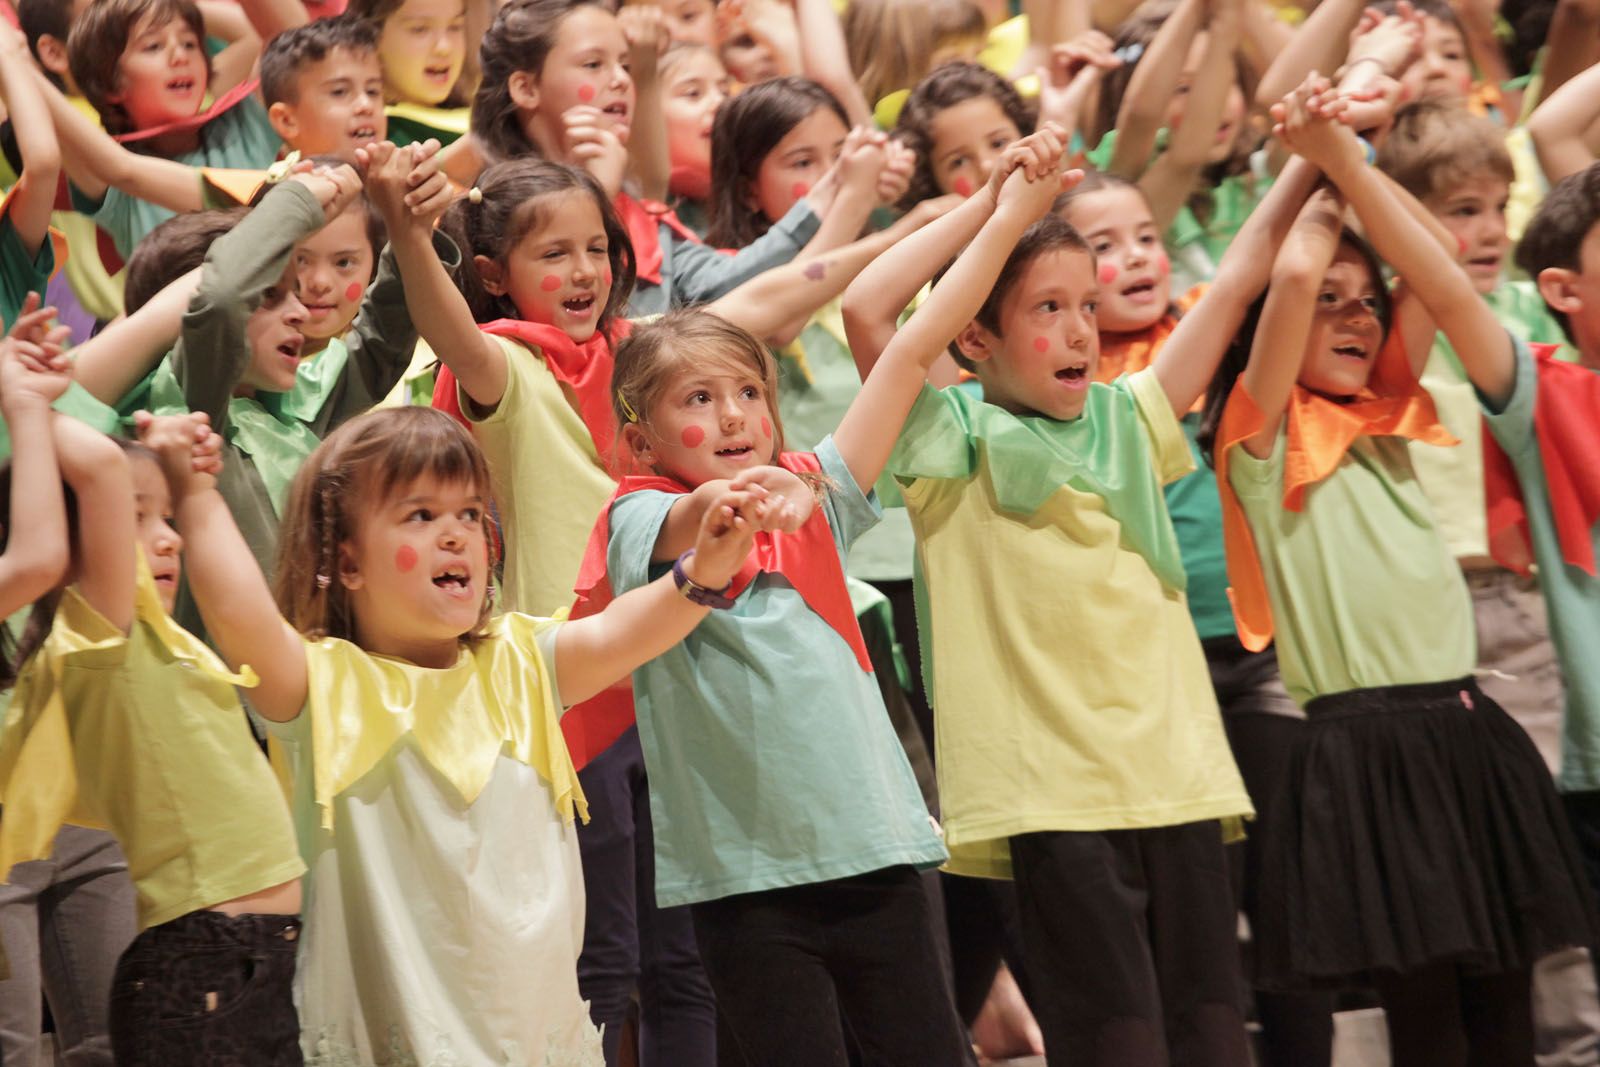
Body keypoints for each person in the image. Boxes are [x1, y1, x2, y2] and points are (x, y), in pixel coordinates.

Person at [165, 400, 774, 1065]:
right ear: (347, 563)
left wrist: (704, 568)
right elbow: (241, 617)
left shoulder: (521, 661)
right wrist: (195, 494)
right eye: (420, 515)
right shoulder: (324, 686)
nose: (455, 535)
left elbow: (626, 629)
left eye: (469, 514)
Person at [845, 122, 1262, 1066]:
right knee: (1117, 1037)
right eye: (1048, 307)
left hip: (1174, 770)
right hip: (1048, 792)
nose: (1080, 328)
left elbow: (1235, 284)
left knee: (1212, 1029)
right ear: (977, 336)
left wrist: (1319, 164)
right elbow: (871, 308)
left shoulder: (1129, 414)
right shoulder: (949, 436)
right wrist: (991, 210)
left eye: (1087, 303)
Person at [1204, 77, 1596, 1066]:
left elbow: (1432, 268)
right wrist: (1333, 163)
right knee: (1425, 1019)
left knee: (1502, 1000)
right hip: (1363, 749)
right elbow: (1290, 278)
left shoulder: (1389, 416)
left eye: (1363, 301)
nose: (1354, 315)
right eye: (1331, 305)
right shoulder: (1258, 440)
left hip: (1465, 729)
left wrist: (1357, 149)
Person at [589, 303, 961, 1065]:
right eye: (697, 399)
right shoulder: (639, 516)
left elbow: (908, 350)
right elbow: (693, 514)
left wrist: (1005, 203)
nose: (733, 415)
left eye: (750, 393)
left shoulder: (813, 503)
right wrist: (744, 503)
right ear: (639, 440)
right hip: (747, 888)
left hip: (878, 859)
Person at [0, 408, 305, 1067]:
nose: (166, 538)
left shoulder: (153, 642)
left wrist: (168, 459)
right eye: (135, 518)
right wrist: (28, 396)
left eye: (164, 517)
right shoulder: (98, 636)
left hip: (249, 960)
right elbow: (103, 469)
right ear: (69, 539)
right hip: (203, 967)